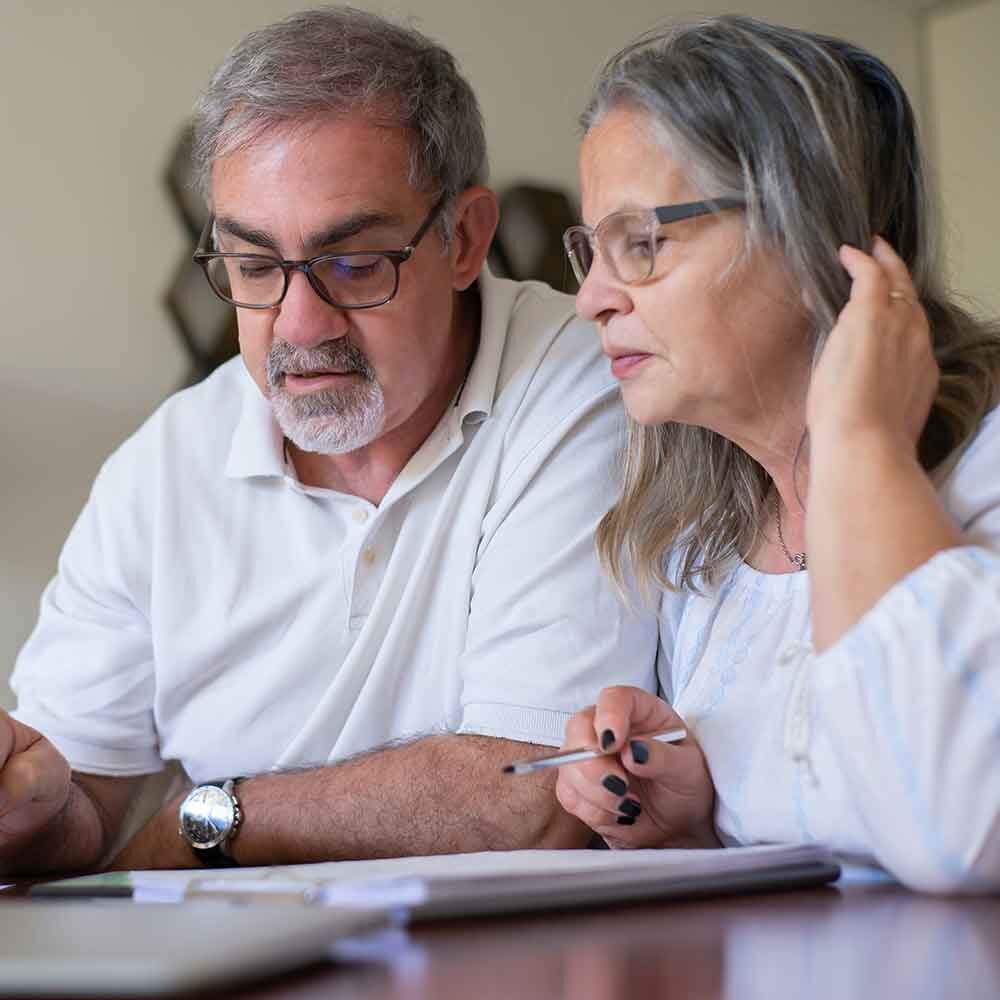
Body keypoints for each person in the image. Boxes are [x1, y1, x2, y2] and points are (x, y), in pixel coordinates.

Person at [0, 7, 656, 876]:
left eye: (353, 263)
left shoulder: (582, 387)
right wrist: (31, 805)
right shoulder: (164, 468)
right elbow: (82, 811)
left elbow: (532, 788)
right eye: (256, 266)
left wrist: (217, 822)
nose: (298, 326)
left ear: (464, 239)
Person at [554, 15, 1000, 892]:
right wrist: (692, 823)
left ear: (803, 229)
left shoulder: (983, 473)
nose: (591, 301)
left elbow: (963, 831)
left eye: (640, 242)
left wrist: (860, 445)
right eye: (589, 250)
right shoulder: (703, 551)